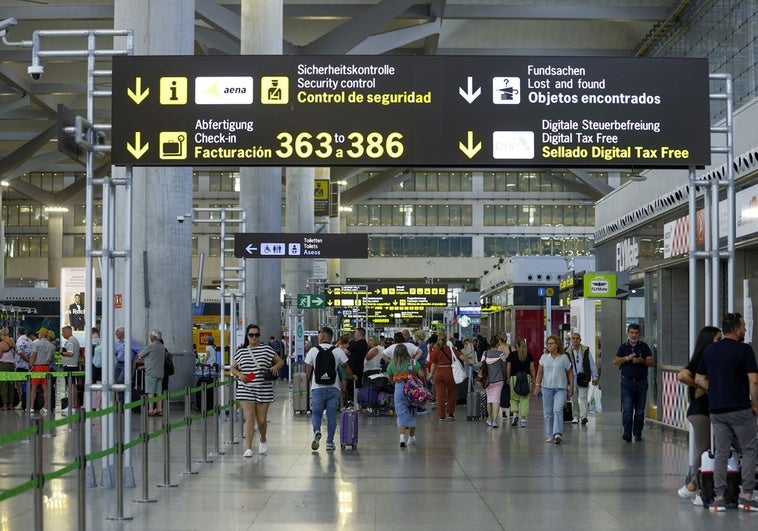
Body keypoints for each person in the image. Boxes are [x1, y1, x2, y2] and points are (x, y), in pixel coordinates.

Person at [695, 312, 758, 512]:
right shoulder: (745, 350)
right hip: (740, 409)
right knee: (748, 450)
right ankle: (747, 496)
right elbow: (754, 381)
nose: (745, 329)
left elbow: (698, 379)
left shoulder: (711, 351)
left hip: (717, 409)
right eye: (744, 326)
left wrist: (715, 391)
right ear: (737, 329)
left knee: (721, 452)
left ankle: (719, 498)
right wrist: (755, 404)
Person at [676, 325, 721, 506]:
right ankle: (696, 489)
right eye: (718, 339)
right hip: (700, 411)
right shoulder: (701, 359)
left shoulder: (711, 358)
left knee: (707, 449)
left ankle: (693, 486)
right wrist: (702, 386)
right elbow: (681, 376)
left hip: (704, 411)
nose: (720, 343)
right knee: (703, 450)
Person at [230, 323, 284, 457]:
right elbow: (233, 368)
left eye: (256, 335)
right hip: (246, 388)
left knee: (261, 420)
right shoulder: (241, 351)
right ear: (247, 336)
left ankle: (263, 438)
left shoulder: (266, 349)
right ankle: (248, 447)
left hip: (263, 387)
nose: (254, 337)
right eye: (251, 335)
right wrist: (240, 375)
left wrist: (275, 367)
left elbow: (280, 361)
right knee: (249, 418)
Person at [305, 326, 356, 452]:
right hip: (333, 388)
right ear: (331, 337)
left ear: (322, 336)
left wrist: (309, 382)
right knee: (331, 415)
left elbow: (308, 371)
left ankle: (317, 431)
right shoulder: (337, 351)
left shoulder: (313, 351)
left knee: (316, 414)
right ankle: (329, 442)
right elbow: (346, 368)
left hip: (317, 388)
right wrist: (353, 376)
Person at [613, 323, 655, 442]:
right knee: (627, 408)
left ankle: (637, 433)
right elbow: (615, 360)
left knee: (640, 410)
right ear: (628, 333)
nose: (634, 335)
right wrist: (627, 358)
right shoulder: (623, 347)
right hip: (627, 383)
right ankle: (627, 432)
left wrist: (642, 361)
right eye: (631, 332)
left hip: (641, 382)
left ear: (639, 334)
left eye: (636, 333)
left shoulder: (644, 347)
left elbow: (651, 362)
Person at [534, 334, 573, 444]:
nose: (549, 346)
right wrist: (537, 385)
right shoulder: (544, 357)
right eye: (548, 344)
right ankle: (550, 434)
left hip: (561, 388)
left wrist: (571, 387)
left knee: (557, 409)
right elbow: (539, 372)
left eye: (551, 343)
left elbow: (570, 373)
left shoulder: (564, 358)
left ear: (557, 345)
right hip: (547, 388)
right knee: (548, 412)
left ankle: (557, 433)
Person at [387, 343, 425, 447]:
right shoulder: (412, 362)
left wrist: (394, 383)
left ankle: (402, 438)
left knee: (400, 412)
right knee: (412, 410)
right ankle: (411, 438)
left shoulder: (392, 364)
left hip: (398, 388)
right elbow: (421, 374)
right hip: (411, 389)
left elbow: (390, 376)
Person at [567, 332, 598, 425]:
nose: (575, 340)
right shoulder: (567, 352)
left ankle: (584, 416)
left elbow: (591, 364)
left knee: (583, 397)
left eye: (577, 338)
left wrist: (595, 376)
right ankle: (575, 416)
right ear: (571, 340)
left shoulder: (585, 350)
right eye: (573, 338)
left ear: (580, 340)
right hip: (572, 378)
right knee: (574, 398)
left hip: (583, 377)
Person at [429, 331, 459, 421]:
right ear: (446, 340)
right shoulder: (451, 349)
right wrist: (470, 362)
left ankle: (441, 416)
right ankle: (450, 413)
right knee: (451, 393)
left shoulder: (435, 351)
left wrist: (431, 374)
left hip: (438, 373)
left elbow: (433, 364)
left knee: (439, 395)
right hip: (449, 372)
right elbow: (461, 356)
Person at [135, 330, 166, 416]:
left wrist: (139, 358)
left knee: (150, 392)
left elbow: (140, 355)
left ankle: (151, 410)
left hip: (151, 372)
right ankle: (159, 409)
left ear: (153, 337)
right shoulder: (162, 347)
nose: (150, 337)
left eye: (151, 336)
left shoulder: (151, 346)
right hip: (160, 373)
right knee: (159, 392)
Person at [506, 337, 536, 428]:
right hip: (526, 379)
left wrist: (508, 378)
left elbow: (508, 368)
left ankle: (515, 415)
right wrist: (534, 379)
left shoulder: (512, 355)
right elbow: (532, 369)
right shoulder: (529, 355)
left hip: (514, 378)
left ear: (516, 346)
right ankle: (523, 420)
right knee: (525, 399)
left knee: (513, 398)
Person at [481, 336, 507, 428]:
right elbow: (504, 368)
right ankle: (495, 420)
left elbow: (482, 366)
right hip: (498, 379)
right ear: (497, 344)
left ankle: (490, 418)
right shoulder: (501, 355)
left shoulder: (485, 354)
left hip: (487, 380)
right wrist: (505, 378)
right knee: (496, 399)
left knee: (489, 400)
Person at [29, 330, 56, 415]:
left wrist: (31, 365)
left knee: (34, 388)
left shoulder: (36, 344)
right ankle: (46, 407)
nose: (38, 335)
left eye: (39, 333)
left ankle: (31, 407)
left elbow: (34, 356)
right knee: (46, 388)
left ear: (42, 334)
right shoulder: (51, 345)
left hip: (37, 367)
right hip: (46, 367)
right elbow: (52, 359)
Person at [60, 325, 81, 412]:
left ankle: (72, 406)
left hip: (69, 366)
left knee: (71, 386)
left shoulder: (70, 341)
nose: (62, 334)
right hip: (73, 365)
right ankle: (74, 405)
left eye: (63, 332)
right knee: (73, 385)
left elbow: (70, 353)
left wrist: (62, 353)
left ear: (68, 332)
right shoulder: (75, 340)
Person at [346, 327, 368, 403]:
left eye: (355, 332)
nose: (354, 334)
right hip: (360, 367)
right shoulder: (364, 343)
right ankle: (356, 402)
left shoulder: (356, 344)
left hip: (353, 369)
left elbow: (345, 352)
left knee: (351, 386)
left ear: (359, 334)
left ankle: (352, 401)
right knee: (357, 385)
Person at [14, 326, 33, 410]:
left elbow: (21, 353)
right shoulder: (30, 340)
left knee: (20, 386)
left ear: (17, 333)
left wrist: (28, 360)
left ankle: (22, 403)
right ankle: (28, 402)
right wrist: (30, 362)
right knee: (28, 386)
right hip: (28, 367)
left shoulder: (19, 341)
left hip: (20, 366)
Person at [0, 329, 16, 410]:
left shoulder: (2, 344)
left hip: (3, 365)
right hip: (12, 365)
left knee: (3, 385)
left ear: (2, 335)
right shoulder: (13, 342)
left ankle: (5, 404)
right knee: (11, 385)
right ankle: (11, 404)